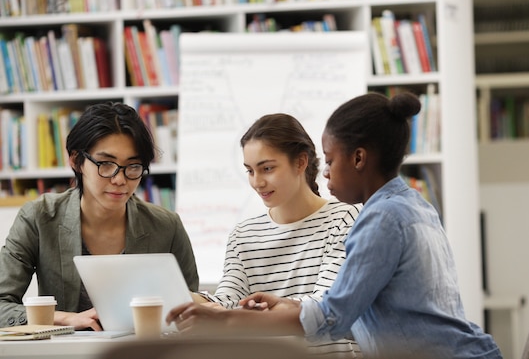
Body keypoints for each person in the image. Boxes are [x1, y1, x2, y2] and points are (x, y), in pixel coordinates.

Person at [166, 92, 502, 359]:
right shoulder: (413, 204)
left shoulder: (380, 220)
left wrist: (225, 320)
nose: (323, 172)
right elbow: (341, 306)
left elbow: (332, 317)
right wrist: (285, 305)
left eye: (329, 160)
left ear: (358, 159)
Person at [0, 102, 199, 330]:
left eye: (133, 166)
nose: (119, 179)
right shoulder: (39, 218)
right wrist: (64, 318)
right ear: (76, 161)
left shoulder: (166, 226)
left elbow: (192, 311)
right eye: (106, 164)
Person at [198, 113, 361, 357]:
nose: (257, 182)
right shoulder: (243, 235)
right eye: (250, 171)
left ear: (300, 162)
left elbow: (325, 304)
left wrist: (241, 315)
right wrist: (190, 299)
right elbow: (228, 300)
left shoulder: (344, 219)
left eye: (267, 169)